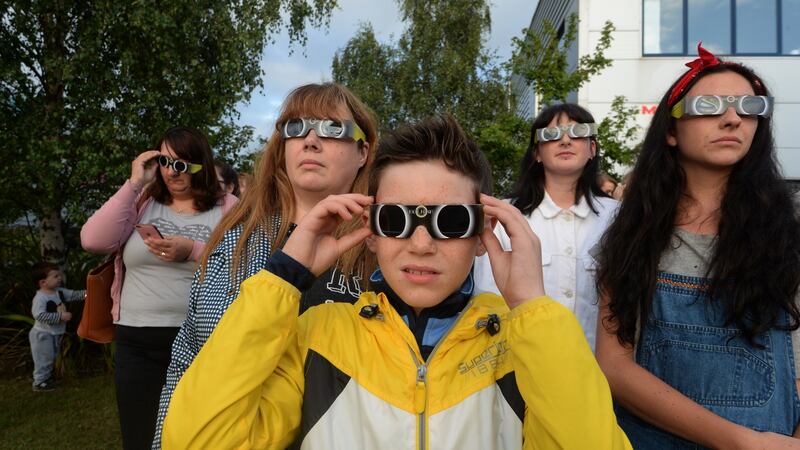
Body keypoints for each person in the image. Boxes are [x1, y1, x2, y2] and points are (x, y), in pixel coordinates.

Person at [161, 115, 630, 449]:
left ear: (484, 234)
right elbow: (198, 440)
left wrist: (532, 306)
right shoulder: (319, 334)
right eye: (396, 219)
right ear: (370, 232)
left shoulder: (521, 343)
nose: (421, 244)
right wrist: (283, 277)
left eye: (450, 221)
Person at [595, 44, 800, 448]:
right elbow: (615, 366)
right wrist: (740, 441)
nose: (732, 118)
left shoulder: (787, 228)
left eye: (748, 107)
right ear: (671, 131)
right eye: (708, 105)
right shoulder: (633, 232)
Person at [151, 83, 378, 448]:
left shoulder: (384, 243)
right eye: (296, 128)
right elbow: (189, 355)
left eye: (332, 128)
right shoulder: (236, 237)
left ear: (363, 151)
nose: (310, 140)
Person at [81, 126, 238, 449]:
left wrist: (192, 251)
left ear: (202, 166)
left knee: (197, 436)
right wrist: (134, 182)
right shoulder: (143, 200)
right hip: (136, 340)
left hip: (202, 340)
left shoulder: (228, 207)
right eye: (165, 162)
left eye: (182, 165)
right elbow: (93, 240)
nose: (171, 172)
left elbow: (246, 263)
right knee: (139, 434)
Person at [474, 103, 618, 351]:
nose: (565, 140)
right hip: (523, 363)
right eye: (551, 134)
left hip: (599, 368)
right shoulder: (505, 216)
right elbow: (487, 302)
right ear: (537, 153)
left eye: (578, 132)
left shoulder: (618, 217)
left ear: (592, 149)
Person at [28, 262, 85, 392]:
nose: (59, 278)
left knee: (51, 356)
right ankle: (39, 382)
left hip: (53, 333)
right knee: (44, 358)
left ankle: (45, 379)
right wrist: (60, 317)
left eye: (59, 275)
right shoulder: (40, 298)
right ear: (43, 282)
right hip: (42, 335)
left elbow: (74, 295)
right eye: (55, 276)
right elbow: (39, 315)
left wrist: (89, 293)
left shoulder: (59, 292)